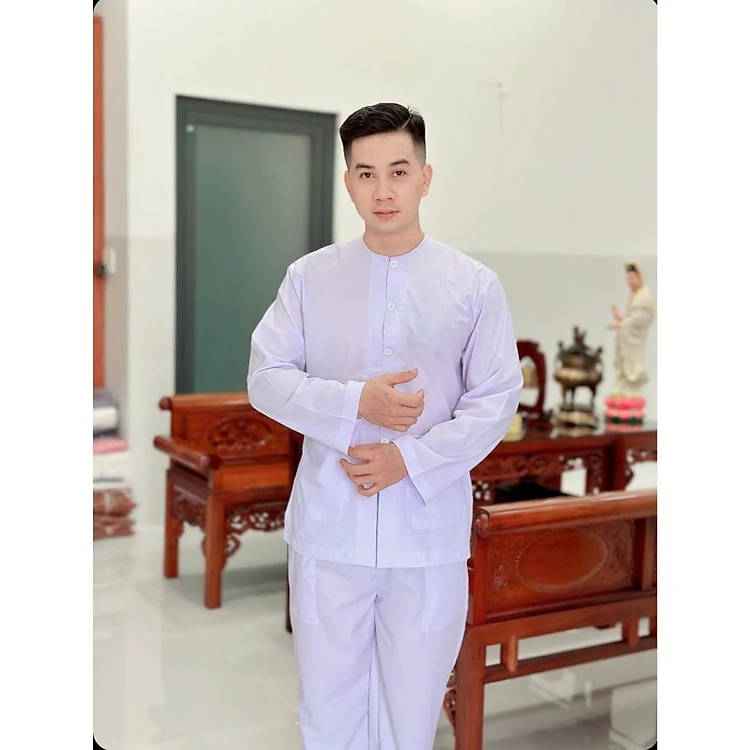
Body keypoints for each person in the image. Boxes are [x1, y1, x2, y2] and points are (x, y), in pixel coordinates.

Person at [247, 102, 523, 749]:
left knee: (411, 710)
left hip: (425, 533)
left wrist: (410, 460)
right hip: (331, 529)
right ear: (348, 183)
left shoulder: (473, 286)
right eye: (366, 174)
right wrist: (355, 404)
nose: (383, 190)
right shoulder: (310, 278)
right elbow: (266, 377)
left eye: (399, 171)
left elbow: (494, 400)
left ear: (426, 176)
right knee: (327, 709)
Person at [609, 260, 655, 397]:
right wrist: (621, 318)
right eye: (628, 279)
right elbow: (629, 318)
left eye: (632, 278)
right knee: (622, 360)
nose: (630, 282)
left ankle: (632, 383)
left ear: (639, 278)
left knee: (632, 362)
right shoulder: (634, 296)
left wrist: (623, 324)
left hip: (634, 340)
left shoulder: (645, 297)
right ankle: (622, 385)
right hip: (626, 335)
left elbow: (641, 318)